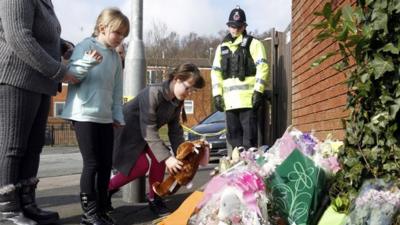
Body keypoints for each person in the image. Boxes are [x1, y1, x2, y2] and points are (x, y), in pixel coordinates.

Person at [0, 1, 79, 225]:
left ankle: (27, 203)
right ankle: (7, 210)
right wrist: (58, 70)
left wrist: (61, 45)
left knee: (34, 147)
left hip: (41, 83)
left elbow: (40, 32)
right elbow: (19, 37)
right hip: (16, 78)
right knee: (12, 147)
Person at [60, 7, 129, 225]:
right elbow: (71, 75)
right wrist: (88, 62)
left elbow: (118, 89)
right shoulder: (85, 46)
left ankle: (100, 209)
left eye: (123, 35)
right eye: (117, 33)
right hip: (83, 114)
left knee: (105, 164)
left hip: (105, 116)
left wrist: (117, 114)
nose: (120, 38)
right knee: (91, 163)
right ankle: (88, 214)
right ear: (102, 28)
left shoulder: (115, 58)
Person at [108, 63, 205, 216]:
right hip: (127, 131)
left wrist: (186, 154)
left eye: (192, 90)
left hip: (145, 134)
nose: (189, 93)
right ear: (177, 79)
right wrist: (168, 158)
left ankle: (155, 198)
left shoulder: (177, 101)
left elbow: (175, 131)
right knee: (141, 166)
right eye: (188, 88)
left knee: (160, 158)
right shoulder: (153, 93)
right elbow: (149, 128)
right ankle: (105, 190)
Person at [211, 6, 269, 151]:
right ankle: (237, 171)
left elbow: (263, 68)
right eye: (232, 26)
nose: (235, 29)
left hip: (248, 102)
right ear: (228, 26)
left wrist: (258, 91)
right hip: (230, 104)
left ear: (244, 26)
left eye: (238, 26)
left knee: (249, 143)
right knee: (235, 143)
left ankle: (249, 171)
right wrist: (217, 95)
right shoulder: (221, 48)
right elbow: (215, 73)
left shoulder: (254, 44)